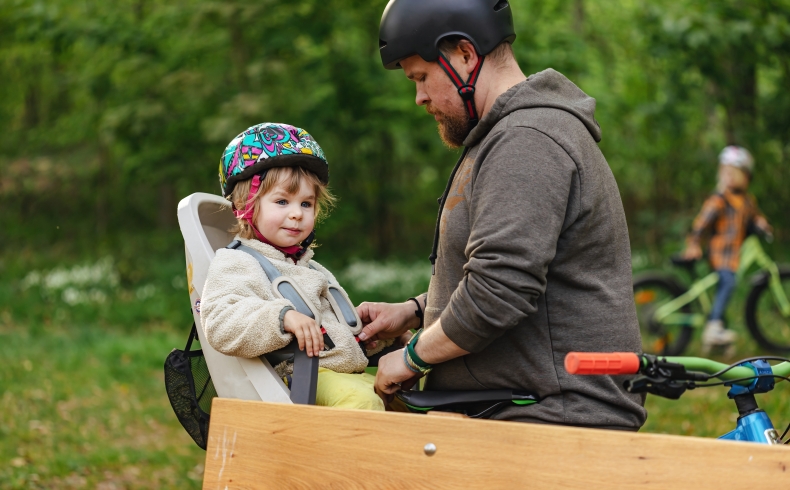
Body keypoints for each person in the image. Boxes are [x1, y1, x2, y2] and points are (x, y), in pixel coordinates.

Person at [359, 0, 646, 429]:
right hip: (513, 410)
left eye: (421, 77)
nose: (419, 97)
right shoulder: (505, 136)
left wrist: (413, 356)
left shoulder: (527, 140)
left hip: (552, 419)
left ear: (465, 55)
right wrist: (417, 310)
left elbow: (499, 291)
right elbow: (509, 271)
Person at [201, 122, 389, 411]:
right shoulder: (237, 262)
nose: (296, 214)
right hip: (298, 381)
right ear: (246, 205)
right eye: (282, 201)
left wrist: (375, 337)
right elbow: (221, 322)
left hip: (343, 374)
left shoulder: (311, 269)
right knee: (359, 403)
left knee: (409, 404)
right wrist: (282, 317)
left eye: (306, 204)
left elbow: (332, 334)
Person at [683, 146, 773, 349]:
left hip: (734, 255)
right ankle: (713, 327)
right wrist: (694, 244)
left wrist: (762, 224)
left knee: (723, 290)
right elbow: (701, 224)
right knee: (728, 283)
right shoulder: (719, 200)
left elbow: (755, 216)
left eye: (735, 173)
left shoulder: (747, 201)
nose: (729, 177)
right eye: (726, 172)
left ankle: (717, 338)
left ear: (746, 176)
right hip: (721, 255)